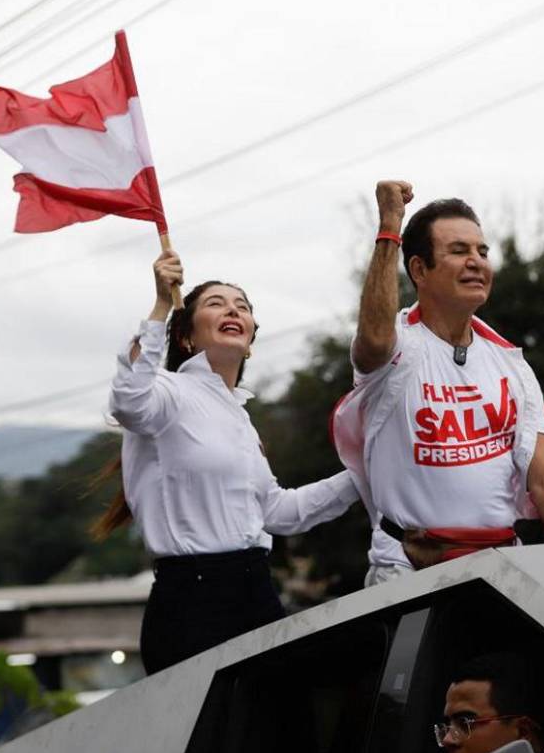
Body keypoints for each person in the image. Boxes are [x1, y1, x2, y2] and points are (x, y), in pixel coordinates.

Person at [101, 249, 361, 674]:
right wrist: (162, 306)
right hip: (194, 601)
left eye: (243, 306)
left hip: (256, 591)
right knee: (211, 738)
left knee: (275, 733)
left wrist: (361, 476)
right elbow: (128, 402)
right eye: (216, 303)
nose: (233, 310)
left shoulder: (241, 418)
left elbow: (277, 511)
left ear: (251, 338)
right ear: (186, 337)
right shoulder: (168, 391)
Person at [332, 181, 544, 585]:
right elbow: (374, 341)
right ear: (419, 270)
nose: (477, 262)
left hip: (501, 569)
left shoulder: (510, 362)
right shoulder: (398, 347)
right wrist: (389, 227)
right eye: (458, 251)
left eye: (482, 252)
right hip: (408, 571)